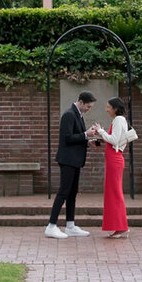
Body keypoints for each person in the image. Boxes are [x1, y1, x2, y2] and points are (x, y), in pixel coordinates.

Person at [46, 90, 95, 237]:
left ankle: (70, 225)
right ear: (81, 102)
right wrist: (86, 134)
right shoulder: (69, 114)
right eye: (88, 106)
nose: (89, 109)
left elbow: (75, 137)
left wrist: (88, 141)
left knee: (72, 193)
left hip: (74, 160)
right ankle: (51, 226)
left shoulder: (77, 114)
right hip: (68, 160)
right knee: (63, 192)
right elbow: (67, 138)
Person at [94, 96, 137, 237]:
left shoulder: (118, 120)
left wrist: (101, 131)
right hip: (114, 159)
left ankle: (121, 227)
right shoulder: (119, 120)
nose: (106, 109)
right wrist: (102, 136)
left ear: (115, 108)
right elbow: (115, 140)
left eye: (108, 107)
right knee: (113, 193)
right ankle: (119, 226)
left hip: (115, 160)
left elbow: (114, 140)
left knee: (115, 193)